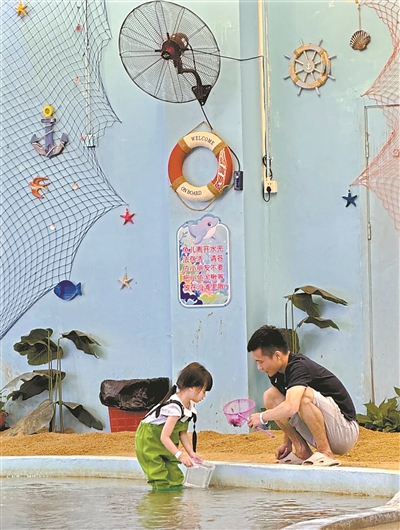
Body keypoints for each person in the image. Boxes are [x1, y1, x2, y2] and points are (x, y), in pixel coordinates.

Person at [247, 325, 359, 466]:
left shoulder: (299, 367)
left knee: (303, 396)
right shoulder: (276, 373)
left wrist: (262, 417)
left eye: (261, 362)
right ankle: (302, 450)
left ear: (277, 355)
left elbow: (291, 407)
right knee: (271, 396)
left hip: (344, 432)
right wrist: (287, 443)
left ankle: (325, 452)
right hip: (322, 431)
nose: (259, 368)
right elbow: (287, 408)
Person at [135, 362, 213, 491]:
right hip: (149, 440)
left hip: (164, 442)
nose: (204, 396)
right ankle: (159, 501)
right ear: (192, 387)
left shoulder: (189, 406)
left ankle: (173, 501)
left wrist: (191, 453)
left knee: (175, 477)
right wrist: (180, 455)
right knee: (159, 478)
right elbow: (164, 436)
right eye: (204, 391)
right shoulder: (174, 407)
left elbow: (182, 433)